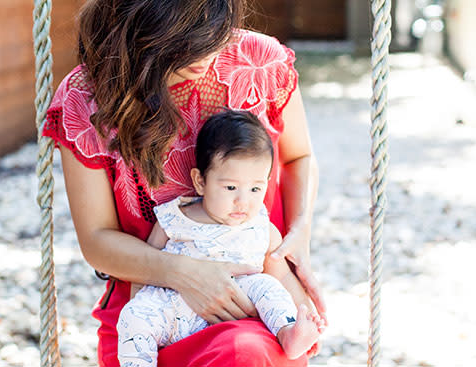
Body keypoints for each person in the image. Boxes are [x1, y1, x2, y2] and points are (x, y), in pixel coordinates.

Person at [43, 0, 326, 366]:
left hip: (250, 302)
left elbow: (298, 156)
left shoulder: (260, 61)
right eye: (184, 34)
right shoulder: (87, 97)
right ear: (139, 18)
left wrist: (299, 232)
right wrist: (184, 274)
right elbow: (97, 239)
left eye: (215, 25)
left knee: (243, 354)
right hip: (149, 303)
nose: (207, 47)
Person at [117, 110, 326, 367]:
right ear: (201, 181)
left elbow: (282, 276)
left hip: (240, 301)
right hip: (175, 305)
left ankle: (289, 333)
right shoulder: (174, 218)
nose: (243, 201)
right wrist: (141, 304)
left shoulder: (260, 226)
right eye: (230, 188)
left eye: (255, 189)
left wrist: (303, 310)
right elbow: (147, 268)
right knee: (132, 317)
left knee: (268, 287)